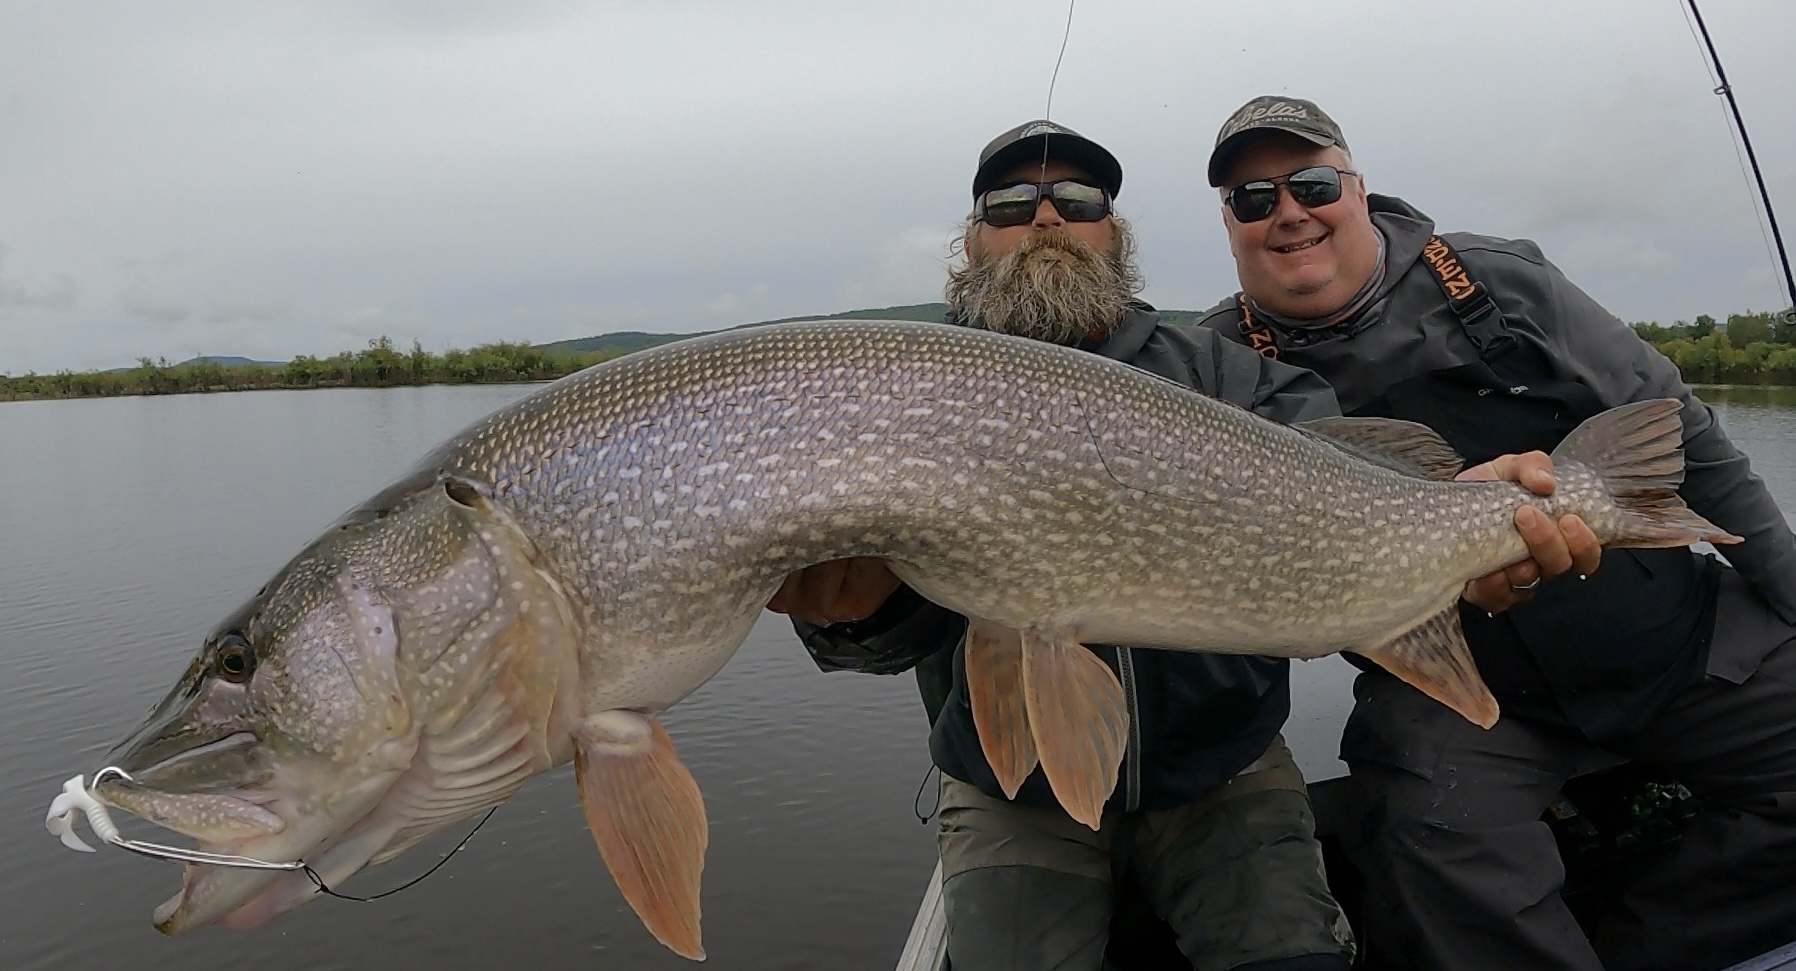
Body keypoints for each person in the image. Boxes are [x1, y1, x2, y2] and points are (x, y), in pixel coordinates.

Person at [766, 120, 1591, 971]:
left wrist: (1470, 541)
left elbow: (1356, 518)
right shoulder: (902, 394)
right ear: (970, 243)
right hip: (1010, 784)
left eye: (1078, 200)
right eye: (1011, 203)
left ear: (1113, 234)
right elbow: (877, 637)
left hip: (1222, 765)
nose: (1046, 218)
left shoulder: (1230, 374)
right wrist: (857, 617)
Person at [1197, 95, 1796, 971]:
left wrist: (1785, 581)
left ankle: (1642, 941)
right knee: (1428, 838)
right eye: (1252, 199)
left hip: (1670, 635)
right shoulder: (1215, 365)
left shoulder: (1500, 278)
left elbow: (1683, 435)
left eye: (1312, 182)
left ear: (1358, 190)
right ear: (1230, 225)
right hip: (1456, 678)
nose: (1287, 211)